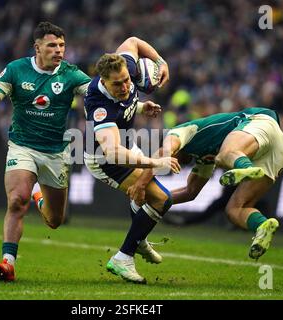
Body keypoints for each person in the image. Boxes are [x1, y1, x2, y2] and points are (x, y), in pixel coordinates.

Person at [0, 22, 91, 281]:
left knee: (54, 220)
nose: (59, 50)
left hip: (56, 153)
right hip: (22, 146)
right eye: (52, 45)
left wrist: (137, 108)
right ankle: (8, 263)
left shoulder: (71, 74)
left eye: (62, 45)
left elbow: (100, 95)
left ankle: (40, 198)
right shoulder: (16, 70)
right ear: (37, 47)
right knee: (16, 201)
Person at [128, 107, 283, 260]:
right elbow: (190, 192)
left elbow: (164, 152)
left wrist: (141, 184)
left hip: (262, 122)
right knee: (234, 209)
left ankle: (245, 168)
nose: (174, 164)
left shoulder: (181, 131)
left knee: (223, 155)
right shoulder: (203, 160)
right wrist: (156, 199)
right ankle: (262, 226)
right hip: (279, 149)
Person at [84, 37, 180, 284]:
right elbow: (112, 152)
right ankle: (124, 256)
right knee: (161, 198)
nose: (125, 86)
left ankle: (138, 240)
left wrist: (160, 61)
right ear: (103, 82)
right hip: (104, 159)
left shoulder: (126, 65)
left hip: (127, 146)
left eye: (127, 80)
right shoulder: (99, 105)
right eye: (117, 85)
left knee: (144, 195)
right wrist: (153, 163)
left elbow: (133, 41)